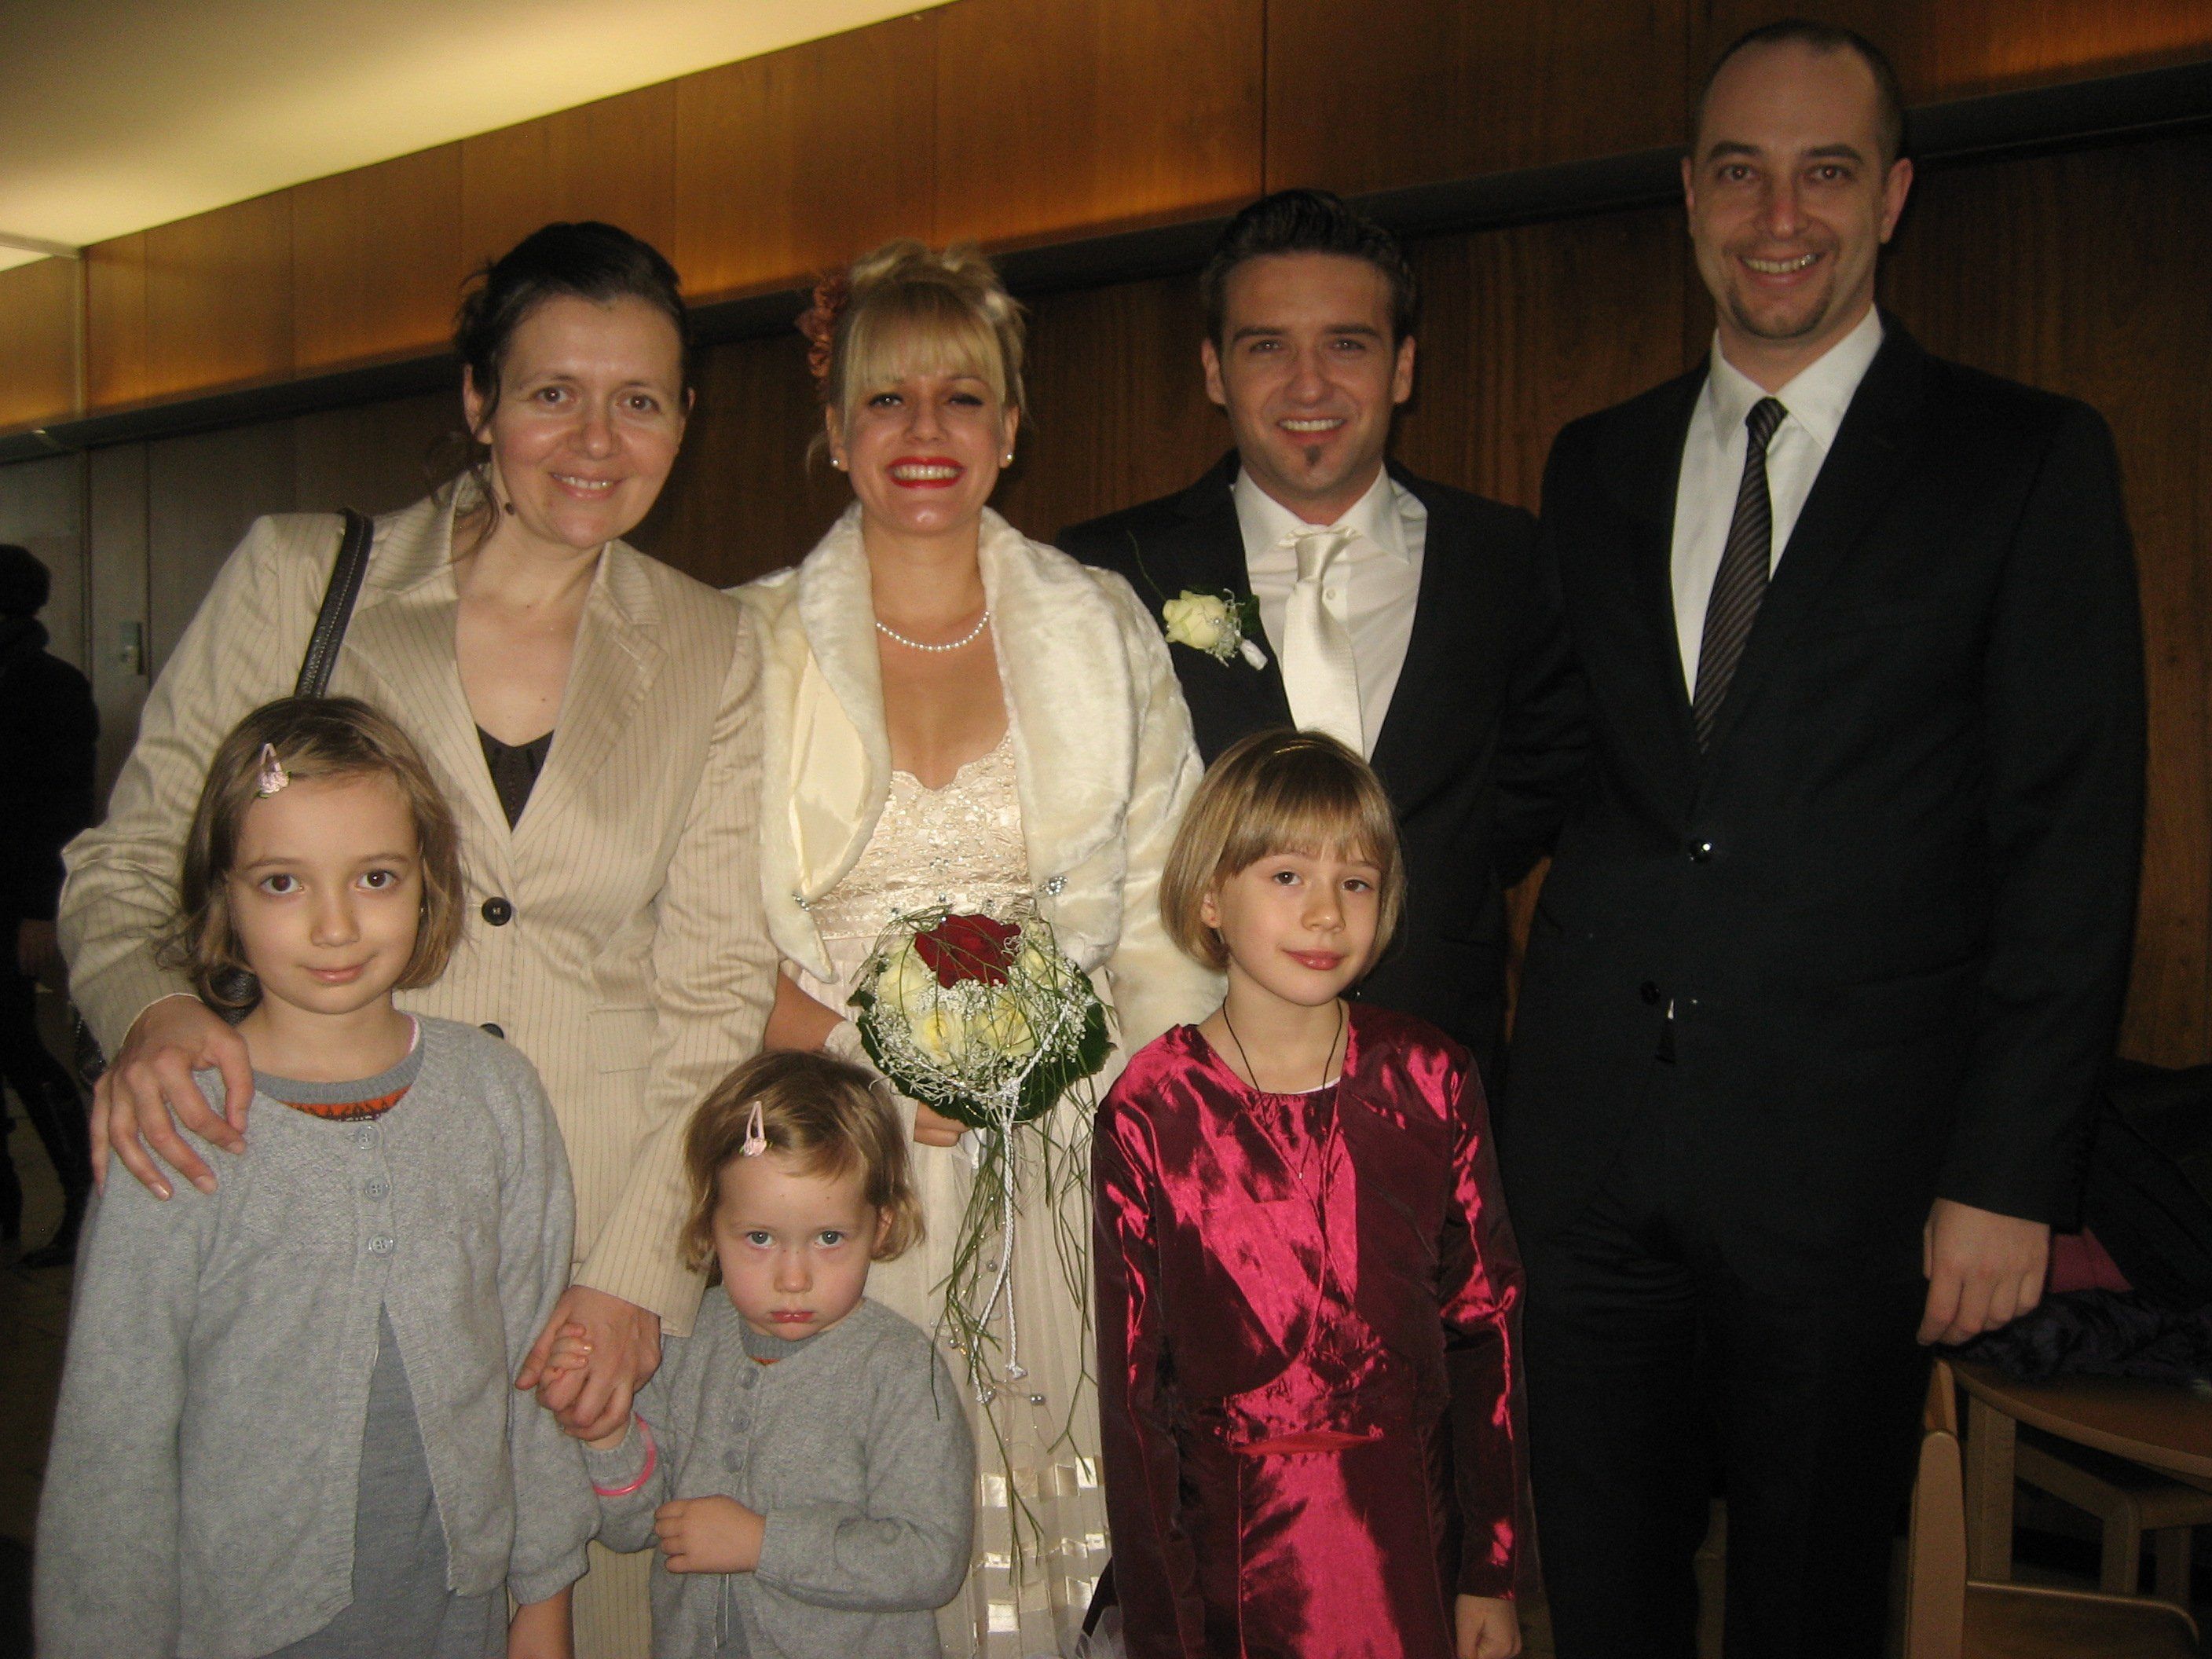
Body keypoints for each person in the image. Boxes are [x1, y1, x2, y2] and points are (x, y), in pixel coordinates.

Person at [1501, 24, 2145, 1658]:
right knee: (1602, 1593)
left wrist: (2007, 1177)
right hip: (1587, 1156)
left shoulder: (2021, 457)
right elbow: (1566, 771)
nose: (1778, 215)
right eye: (1740, 172)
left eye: (1825, 172)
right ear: (1688, 198)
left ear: (1894, 196)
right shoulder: (1597, 461)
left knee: (1807, 1603)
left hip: (1854, 1172)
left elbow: (2070, 842)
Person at [57, 220, 777, 1656]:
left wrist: (638, 1273)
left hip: (591, 1232)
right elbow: (130, 862)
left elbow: (714, 987)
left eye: (639, 400)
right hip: (304, 1205)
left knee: (569, 1611)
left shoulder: (715, 644)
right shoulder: (303, 579)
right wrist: (153, 1010)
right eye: (552, 392)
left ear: (685, 421)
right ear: (477, 400)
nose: (596, 439)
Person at [742, 239, 1221, 1657]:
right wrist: (831, 1054)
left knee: (1058, 1525)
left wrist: (1120, 1110)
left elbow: (1167, 902)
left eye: (962, 396)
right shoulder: (751, 639)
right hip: (829, 1152)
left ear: (1012, 426)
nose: (925, 431)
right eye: (886, 399)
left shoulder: (1098, 624)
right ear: (836, 431)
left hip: (1059, 1148)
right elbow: (705, 915)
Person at [37, 698, 592, 1659]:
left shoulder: (495, 1094)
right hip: (241, 1624)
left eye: (375, 877)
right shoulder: (178, 1124)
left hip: (450, 1612)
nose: (335, 926)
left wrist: (543, 1594)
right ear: (224, 900)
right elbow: (112, 1438)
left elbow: (531, 1358)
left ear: (428, 882)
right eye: (282, 882)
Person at [1059, 191, 1582, 1085]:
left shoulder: (1504, 558)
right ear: (1215, 371)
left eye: (1346, 344)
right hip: (1187, 1076)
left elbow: (1535, 784)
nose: (1309, 385)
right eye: (1267, 347)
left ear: (1402, 367)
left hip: (1436, 1070)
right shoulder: (1109, 571)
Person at [1094, 729, 1524, 1659]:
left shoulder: (1430, 1079)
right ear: (1210, 896)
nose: (1325, 914)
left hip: (1409, 1545)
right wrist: (1166, 1627)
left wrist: (1489, 1569)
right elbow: (1135, 1400)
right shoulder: (1151, 1111)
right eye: (1286, 876)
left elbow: (1485, 1330)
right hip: (1236, 1570)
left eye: (1355, 883)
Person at [554, 1049, 973, 1657]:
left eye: (829, 1238)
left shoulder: (901, 1370)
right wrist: (607, 1437)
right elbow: (635, 1528)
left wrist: (761, 1543)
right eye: (759, 1238)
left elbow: (931, 1561)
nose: (793, 1279)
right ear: (710, 1225)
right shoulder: (683, 1340)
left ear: (879, 1227)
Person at [0, 542, 97, 1266]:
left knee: (17, 1046)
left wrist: (41, 910)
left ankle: (81, 1200)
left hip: (16, 898)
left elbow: (62, 807)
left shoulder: (51, 686)